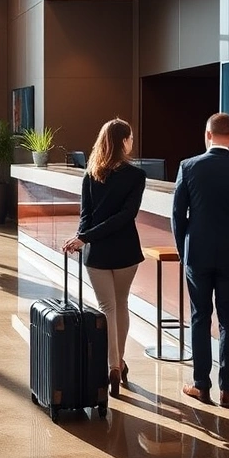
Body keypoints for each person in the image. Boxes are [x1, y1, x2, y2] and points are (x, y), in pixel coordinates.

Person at [171, 112, 229, 407]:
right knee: (228, 319)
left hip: (197, 253)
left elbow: (177, 215)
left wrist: (183, 249)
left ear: (207, 134)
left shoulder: (188, 167)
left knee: (200, 317)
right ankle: (226, 387)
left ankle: (201, 384)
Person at [62, 118, 146, 398]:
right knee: (120, 305)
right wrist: (83, 236)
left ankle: (112, 366)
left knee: (108, 307)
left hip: (96, 252)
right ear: (123, 141)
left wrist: (82, 238)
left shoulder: (90, 174)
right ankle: (117, 364)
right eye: (130, 137)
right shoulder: (136, 176)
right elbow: (126, 216)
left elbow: (85, 216)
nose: (132, 141)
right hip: (125, 251)